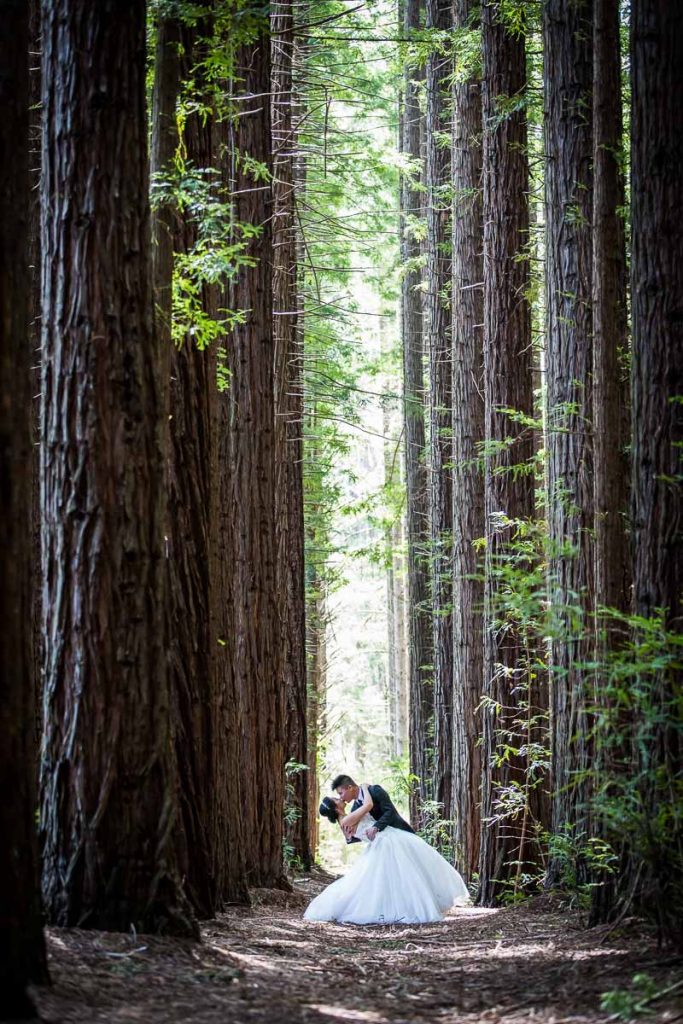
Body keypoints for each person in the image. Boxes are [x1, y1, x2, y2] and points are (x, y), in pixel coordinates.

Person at [304, 773, 469, 925]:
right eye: (338, 797)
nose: (341, 798)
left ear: (350, 788)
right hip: (384, 842)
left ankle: (407, 905)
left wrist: (366, 830)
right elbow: (368, 807)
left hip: (391, 837)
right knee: (390, 878)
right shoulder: (350, 815)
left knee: (404, 875)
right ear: (336, 808)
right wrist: (364, 787)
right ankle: (400, 909)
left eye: (340, 794)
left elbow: (387, 813)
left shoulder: (369, 797)